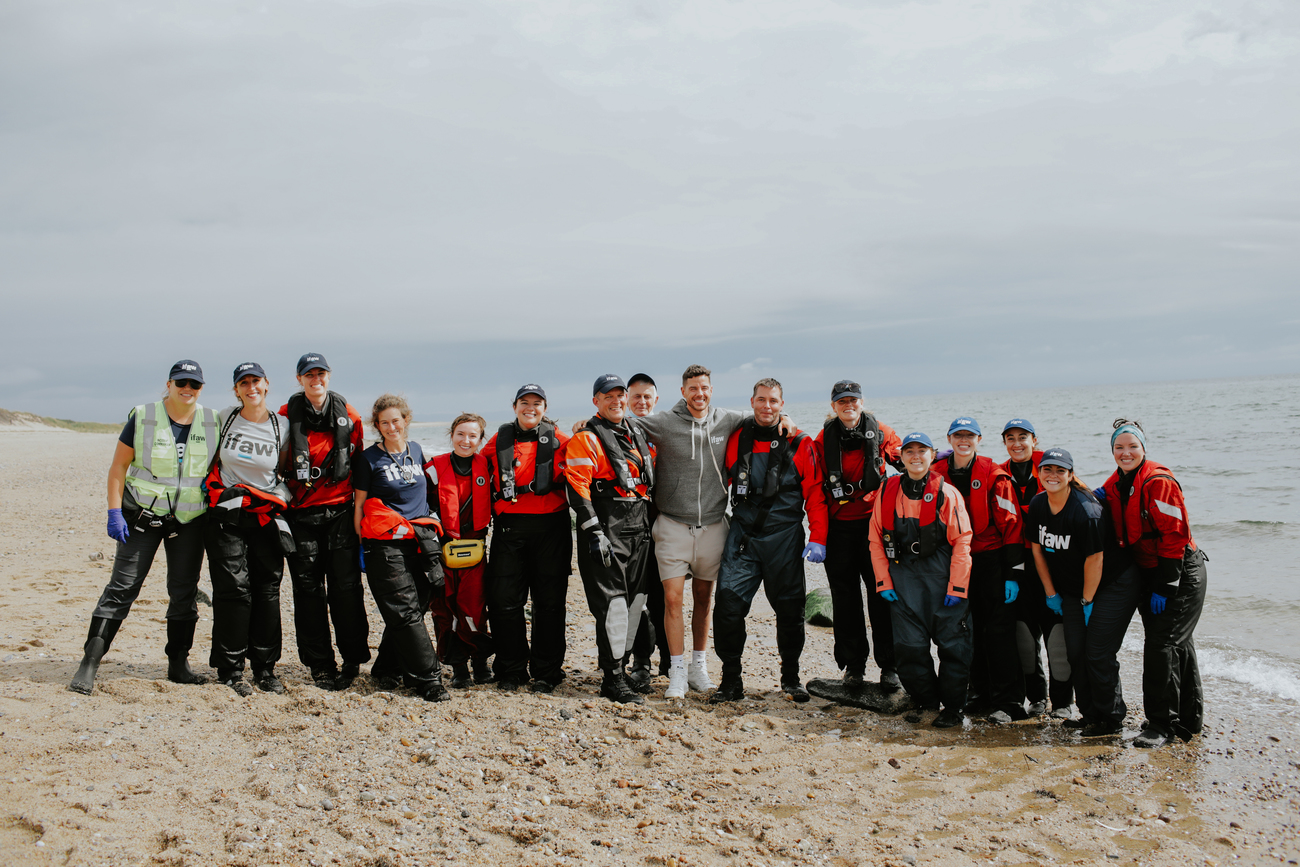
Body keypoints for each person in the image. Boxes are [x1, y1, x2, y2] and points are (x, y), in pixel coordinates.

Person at [631, 364, 794, 700]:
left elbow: (764, 413)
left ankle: (697, 666)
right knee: (673, 600)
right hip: (673, 525)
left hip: (715, 526)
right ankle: (675, 671)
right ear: (683, 391)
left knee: (704, 600)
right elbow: (623, 423)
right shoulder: (664, 423)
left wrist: (787, 419)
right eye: (692, 388)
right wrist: (584, 425)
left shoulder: (727, 419)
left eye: (704, 388)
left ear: (711, 389)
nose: (699, 394)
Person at [70, 360, 219, 695]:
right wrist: (113, 512)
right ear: (169, 384)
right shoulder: (144, 416)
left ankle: (178, 665)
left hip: (189, 520)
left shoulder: (212, 421)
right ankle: (90, 663)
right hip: (142, 517)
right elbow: (118, 467)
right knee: (122, 588)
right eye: (181, 382)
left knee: (184, 592)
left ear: (201, 388)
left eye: (194, 384)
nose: (187, 389)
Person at [711, 378, 826, 703]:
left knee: (790, 612)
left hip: (785, 540)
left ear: (782, 404)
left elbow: (816, 493)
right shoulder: (736, 439)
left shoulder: (800, 443)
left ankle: (791, 678)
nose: (767, 406)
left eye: (773, 401)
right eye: (761, 400)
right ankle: (731, 679)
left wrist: (818, 537)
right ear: (752, 401)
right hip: (743, 538)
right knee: (728, 608)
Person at [1100, 419, 1207, 748]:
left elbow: (1175, 535)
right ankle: (1190, 717)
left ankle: (1161, 724)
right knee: (1178, 644)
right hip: (1149, 571)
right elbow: (1089, 498)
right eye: (1119, 447)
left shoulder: (1158, 482)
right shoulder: (1117, 482)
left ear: (1144, 449)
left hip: (1179, 571)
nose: (1126, 452)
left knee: (1162, 645)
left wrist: (1166, 585)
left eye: (1133, 446)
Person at [1028, 448, 1138, 736]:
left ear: (1070, 475)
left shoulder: (1085, 510)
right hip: (1074, 589)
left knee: (1097, 652)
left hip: (1112, 584)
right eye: (1047, 470)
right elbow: (1037, 550)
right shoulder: (1039, 504)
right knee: (1076, 652)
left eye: (1060, 471)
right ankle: (1090, 715)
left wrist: (1088, 601)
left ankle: (1111, 720)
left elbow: (1096, 559)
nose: (1053, 475)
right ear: (1039, 474)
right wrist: (1051, 593)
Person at [869, 432, 973, 728]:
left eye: (922, 451)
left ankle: (953, 708)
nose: (916, 456)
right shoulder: (887, 491)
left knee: (954, 647)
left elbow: (963, 541)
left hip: (942, 579)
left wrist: (958, 586)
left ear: (932, 455)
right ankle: (926, 701)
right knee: (910, 647)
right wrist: (883, 582)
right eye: (909, 451)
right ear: (900, 457)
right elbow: (875, 540)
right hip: (903, 580)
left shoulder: (947, 494)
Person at [279, 353, 369, 691]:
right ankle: (319, 664)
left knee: (346, 590)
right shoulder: (287, 416)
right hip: (301, 514)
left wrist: (362, 513)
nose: (315, 379)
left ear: (329, 377)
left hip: (340, 514)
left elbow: (360, 464)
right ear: (299, 379)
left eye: (321, 373)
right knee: (308, 592)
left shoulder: (350, 416)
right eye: (309, 375)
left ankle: (352, 658)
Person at [564, 374, 656, 704]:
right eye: (608, 396)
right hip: (607, 528)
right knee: (612, 605)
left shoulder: (637, 433)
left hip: (639, 527)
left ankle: (631, 667)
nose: (616, 400)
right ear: (596, 401)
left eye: (620, 395)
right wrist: (593, 531)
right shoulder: (586, 439)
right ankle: (612, 678)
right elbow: (577, 487)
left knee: (636, 603)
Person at [353, 394, 450, 702]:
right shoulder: (368, 459)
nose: (391, 427)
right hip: (385, 546)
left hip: (420, 542)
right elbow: (359, 507)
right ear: (377, 426)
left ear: (406, 420)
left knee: (417, 607)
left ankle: (386, 669)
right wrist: (362, 545)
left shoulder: (418, 451)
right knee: (405, 611)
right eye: (384, 423)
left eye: (396, 420)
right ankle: (429, 679)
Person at [203, 363, 293, 696]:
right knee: (233, 590)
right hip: (226, 515)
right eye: (244, 383)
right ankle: (229, 669)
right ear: (236, 390)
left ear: (267, 385)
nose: (251, 387)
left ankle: (265, 669)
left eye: (256, 381)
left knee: (268, 591)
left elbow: (287, 471)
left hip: (266, 516)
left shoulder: (281, 425)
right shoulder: (224, 418)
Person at [931, 417, 1026, 724]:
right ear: (948, 439)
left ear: (979, 439)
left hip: (991, 560)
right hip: (955, 563)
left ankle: (1008, 701)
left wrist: (1013, 573)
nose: (963, 440)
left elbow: (1012, 527)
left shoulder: (994, 476)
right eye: (958, 435)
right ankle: (979, 692)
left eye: (969, 435)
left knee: (998, 632)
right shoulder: (938, 473)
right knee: (967, 630)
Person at [813, 380, 904, 692]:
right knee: (845, 598)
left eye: (853, 400)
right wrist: (818, 537)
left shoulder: (882, 432)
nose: (848, 405)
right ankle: (854, 665)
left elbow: (909, 463)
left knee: (882, 595)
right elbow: (812, 486)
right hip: (839, 528)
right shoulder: (822, 439)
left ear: (862, 402)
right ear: (833, 406)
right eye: (841, 401)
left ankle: (890, 666)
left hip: (875, 527)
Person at [483, 384, 572, 693]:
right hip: (509, 529)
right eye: (524, 402)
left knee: (549, 604)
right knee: (504, 602)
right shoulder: (499, 440)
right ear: (515, 406)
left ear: (545, 408)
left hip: (552, 529)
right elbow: (474, 468)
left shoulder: (561, 440)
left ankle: (547, 671)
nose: (530, 408)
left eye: (537, 403)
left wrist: (589, 428)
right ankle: (511, 669)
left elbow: (587, 457)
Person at [1000, 418, 1071, 717]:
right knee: (1025, 638)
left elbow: (1078, 495)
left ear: (1034, 440)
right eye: (1011, 438)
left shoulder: (1050, 466)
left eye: (1023, 437)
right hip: (1019, 566)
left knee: (1057, 639)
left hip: (1054, 564)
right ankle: (1037, 698)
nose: (1017, 443)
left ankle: (1064, 702)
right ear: (1004, 443)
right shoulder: (999, 473)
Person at [425, 413, 494, 689]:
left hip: (475, 550)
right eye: (460, 434)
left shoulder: (488, 467)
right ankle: (458, 667)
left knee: (474, 608)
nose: (466, 441)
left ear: (480, 439)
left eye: (473, 436)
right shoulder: (433, 468)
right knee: (444, 609)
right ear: (451, 435)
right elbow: (420, 505)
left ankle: (479, 662)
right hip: (443, 550)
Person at [624, 374, 671, 692]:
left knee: (666, 598)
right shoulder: (615, 432)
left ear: (657, 400)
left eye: (647, 397)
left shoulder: (668, 431)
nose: (642, 402)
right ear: (626, 399)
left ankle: (670, 661)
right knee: (636, 598)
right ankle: (642, 660)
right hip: (631, 529)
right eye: (636, 396)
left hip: (667, 528)